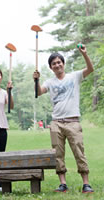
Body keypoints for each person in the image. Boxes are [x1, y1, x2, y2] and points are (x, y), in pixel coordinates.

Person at [33, 44, 94, 193]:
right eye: (54, 63)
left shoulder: (74, 76)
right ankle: (63, 184)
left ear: (63, 63)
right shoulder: (49, 82)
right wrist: (36, 80)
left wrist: (85, 54)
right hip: (56, 123)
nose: (57, 65)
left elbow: (90, 69)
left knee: (79, 152)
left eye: (59, 62)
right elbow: (38, 92)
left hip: (73, 121)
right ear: (51, 67)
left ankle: (86, 183)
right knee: (58, 154)